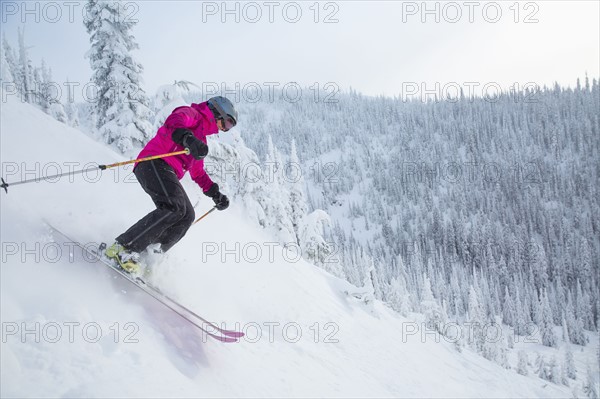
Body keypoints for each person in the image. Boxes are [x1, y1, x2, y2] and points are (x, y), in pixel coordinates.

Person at [105, 96, 238, 272]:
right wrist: (187, 138)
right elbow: (175, 121)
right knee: (174, 207)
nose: (224, 129)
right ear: (216, 112)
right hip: (153, 162)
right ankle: (124, 248)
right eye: (226, 123)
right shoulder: (192, 114)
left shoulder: (201, 142)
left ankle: (147, 256)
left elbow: (197, 173)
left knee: (187, 215)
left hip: (167, 172)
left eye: (228, 127)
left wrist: (215, 193)